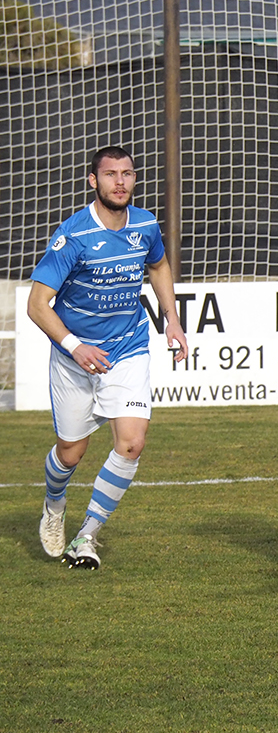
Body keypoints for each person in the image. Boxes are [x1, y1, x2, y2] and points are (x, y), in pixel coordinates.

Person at [29, 146, 188, 571]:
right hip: (75, 357)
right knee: (71, 453)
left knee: (132, 442)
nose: (120, 182)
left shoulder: (146, 224)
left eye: (127, 174)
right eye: (110, 174)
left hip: (128, 346)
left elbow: (158, 266)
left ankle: (87, 535)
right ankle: (54, 504)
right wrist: (74, 347)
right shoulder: (73, 235)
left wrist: (171, 319)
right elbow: (38, 304)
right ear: (92, 181)